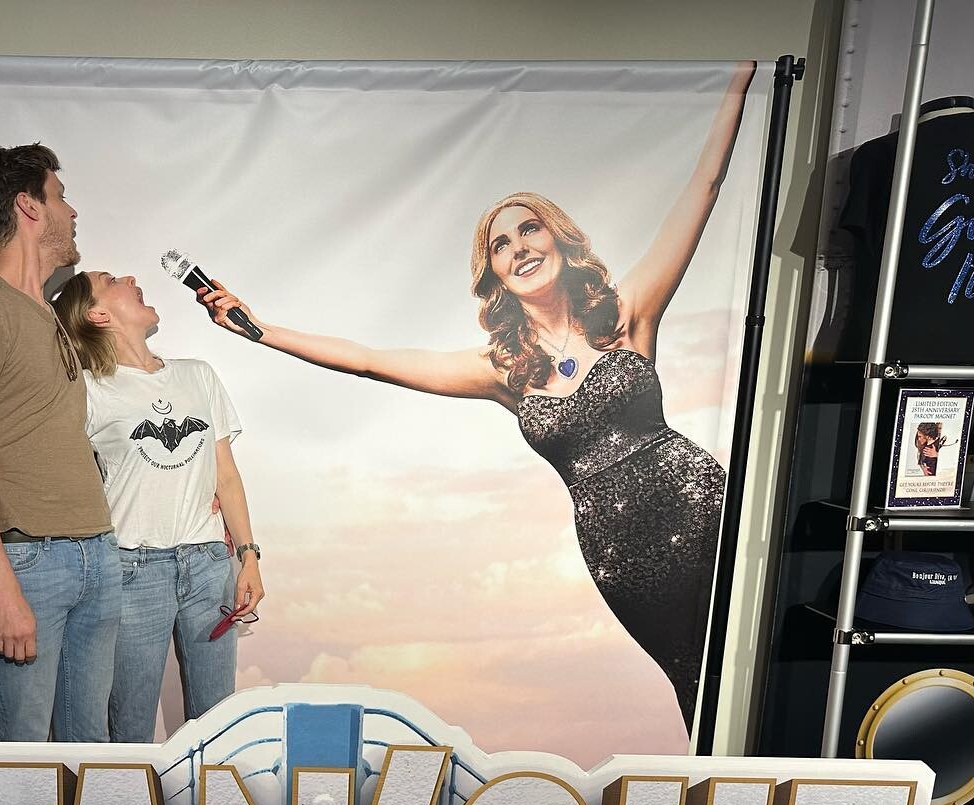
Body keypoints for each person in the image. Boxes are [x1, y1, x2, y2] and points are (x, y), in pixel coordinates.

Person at [196, 64, 755, 732]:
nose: (519, 248)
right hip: (620, 555)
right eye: (501, 245)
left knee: (749, 657)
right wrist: (260, 330)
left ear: (558, 238)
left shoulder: (628, 311)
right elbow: (372, 362)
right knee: (694, 679)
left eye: (530, 230)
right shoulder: (503, 369)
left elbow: (704, 187)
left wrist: (739, 80)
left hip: (702, 508)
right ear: (494, 273)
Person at [0, 270, 266, 741]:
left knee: (218, 723)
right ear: (97, 314)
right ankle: (127, 796)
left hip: (207, 562)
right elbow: (38, 445)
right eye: (113, 280)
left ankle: (211, 792)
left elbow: (226, 474)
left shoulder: (198, 375)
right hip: (132, 569)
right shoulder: (87, 389)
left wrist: (249, 555)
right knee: (131, 729)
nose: (131, 277)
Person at [0, 144, 119, 743]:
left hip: (97, 552)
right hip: (29, 564)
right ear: (28, 206)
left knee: (92, 753)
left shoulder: (48, 315)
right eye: (60, 196)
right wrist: (5, 592)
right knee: (25, 764)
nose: (72, 211)